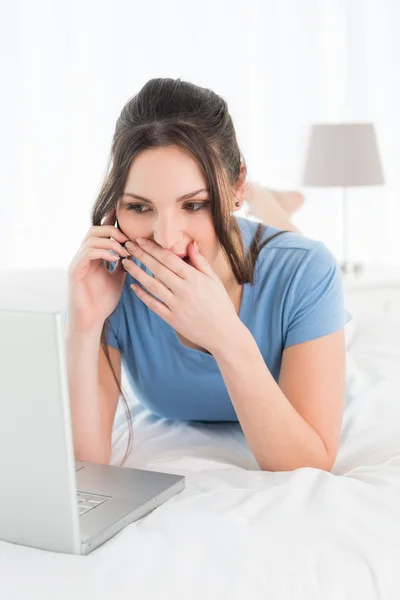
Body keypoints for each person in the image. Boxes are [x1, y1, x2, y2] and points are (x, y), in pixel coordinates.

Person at [66, 78, 351, 472]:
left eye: (195, 204)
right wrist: (83, 326)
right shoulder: (115, 278)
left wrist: (224, 335)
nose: (166, 240)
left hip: (274, 251)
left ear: (235, 185)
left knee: (290, 247)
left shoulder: (306, 269)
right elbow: (85, 467)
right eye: (140, 207)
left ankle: (267, 202)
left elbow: (308, 465)